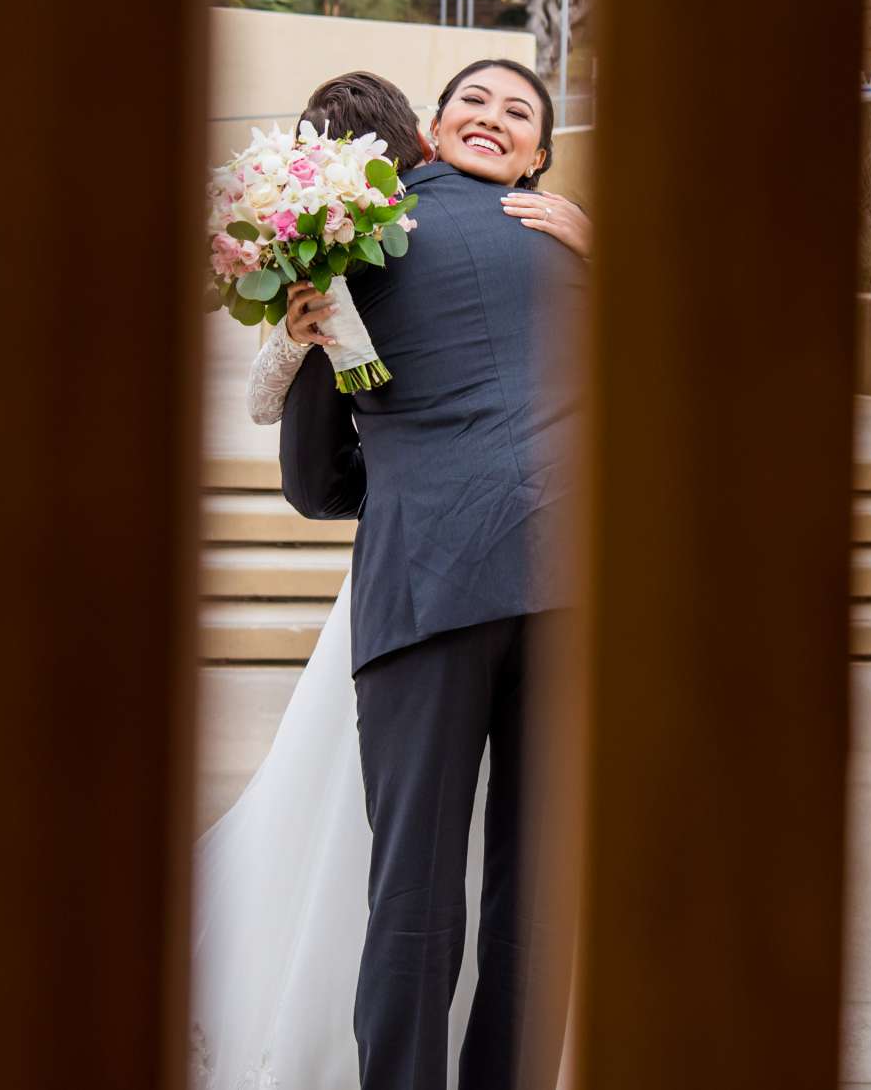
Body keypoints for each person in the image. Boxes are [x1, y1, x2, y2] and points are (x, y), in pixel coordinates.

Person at [188, 63, 589, 1090]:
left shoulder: (346, 244)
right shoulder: (577, 251)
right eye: (478, 101)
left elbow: (318, 485)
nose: (494, 117)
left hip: (429, 587)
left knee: (411, 890)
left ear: (537, 152)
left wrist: (408, 464)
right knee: (535, 888)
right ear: (431, 124)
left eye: (518, 111)